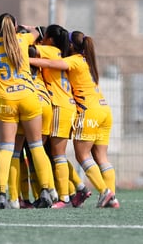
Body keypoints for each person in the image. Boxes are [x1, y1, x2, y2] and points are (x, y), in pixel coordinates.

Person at [0, 13, 56, 209]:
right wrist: (23, 26)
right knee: (36, 147)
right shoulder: (23, 39)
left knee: (6, 150)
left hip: (5, 100)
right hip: (28, 97)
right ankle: (47, 189)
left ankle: (1, 193)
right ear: (15, 26)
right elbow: (38, 31)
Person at [30, 31, 119, 208]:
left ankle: (104, 192)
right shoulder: (88, 61)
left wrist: (25, 61)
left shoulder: (75, 60)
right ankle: (112, 197)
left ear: (71, 46)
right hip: (104, 110)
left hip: (89, 113)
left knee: (82, 155)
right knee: (101, 157)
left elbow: (49, 63)